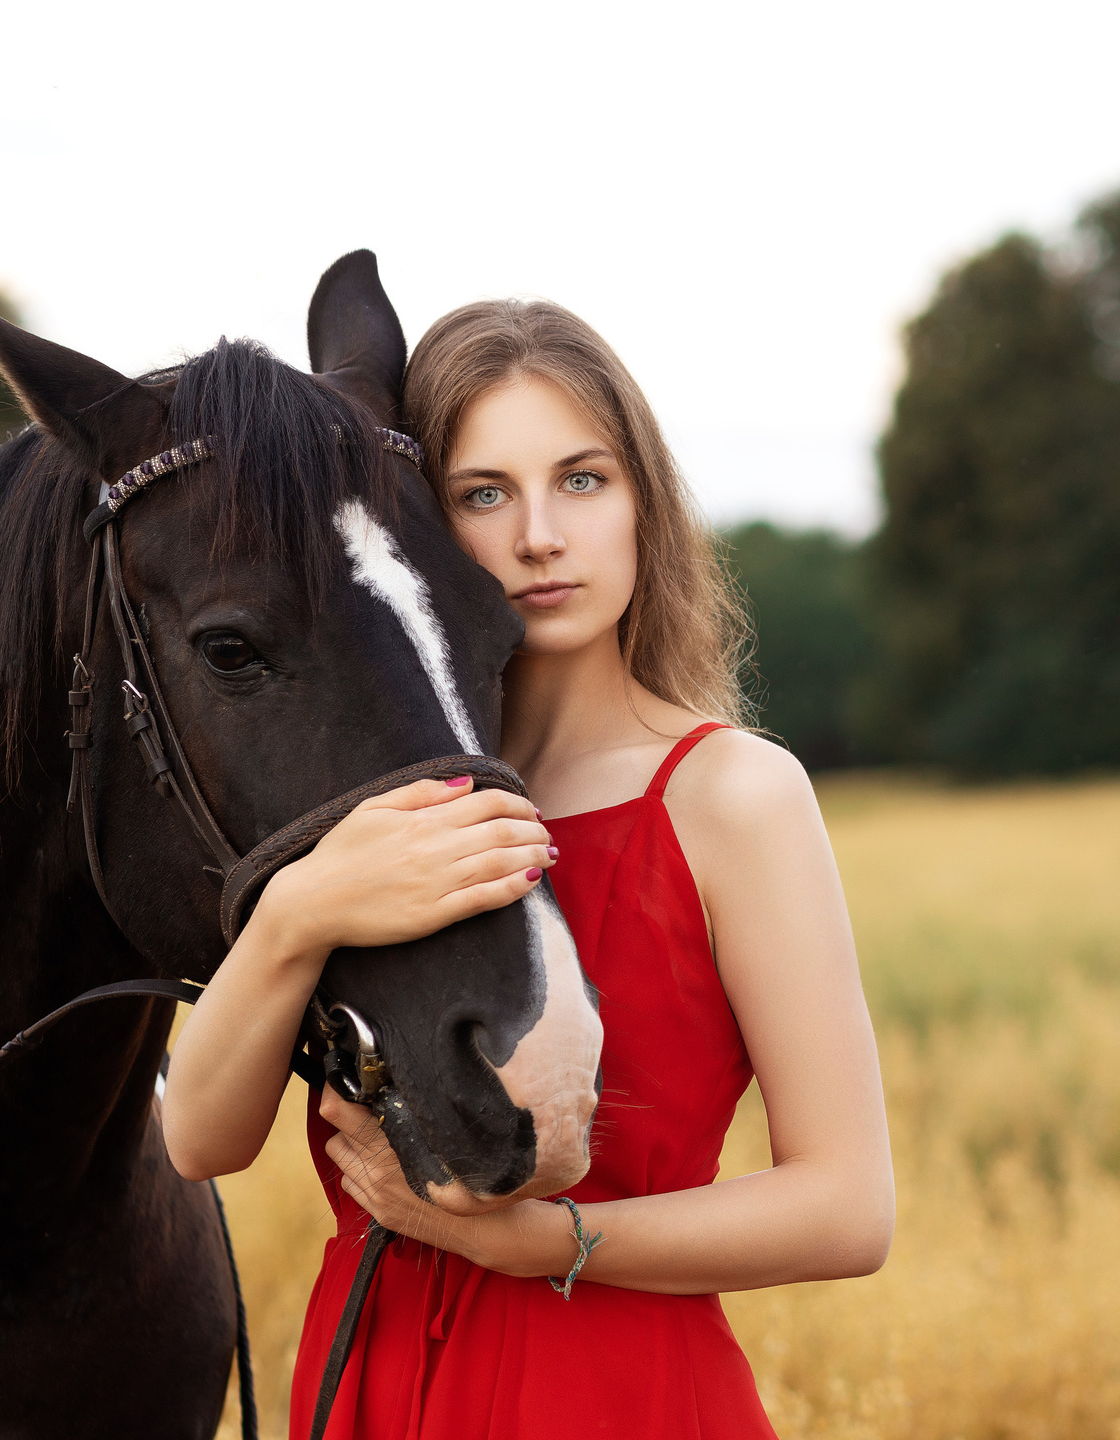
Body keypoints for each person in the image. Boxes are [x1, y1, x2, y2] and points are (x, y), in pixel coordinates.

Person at [161, 298, 893, 1438]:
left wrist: (540, 1243)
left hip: (616, 1394)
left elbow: (849, 1208)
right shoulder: (371, 807)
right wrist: (299, 910)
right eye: (483, 495)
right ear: (423, 525)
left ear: (645, 503)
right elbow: (203, 1139)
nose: (539, 535)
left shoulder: (731, 795)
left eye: (584, 479)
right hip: (365, 1383)